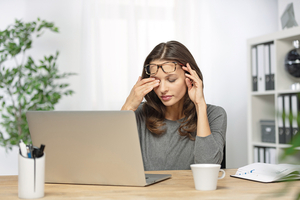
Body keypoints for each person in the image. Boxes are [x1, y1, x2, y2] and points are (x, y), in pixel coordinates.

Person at [122, 41, 227, 171]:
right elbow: (111, 161)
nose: (162, 89)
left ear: (190, 77)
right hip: (148, 191)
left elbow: (208, 168)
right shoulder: (138, 114)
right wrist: (128, 107)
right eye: (156, 81)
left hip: (193, 191)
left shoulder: (214, 114)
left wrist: (200, 105)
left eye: (171, 80)